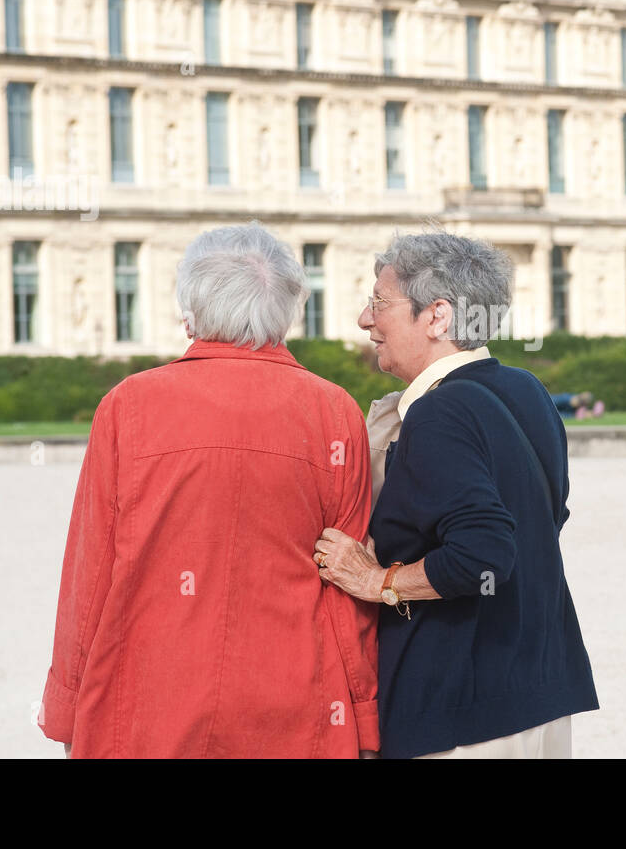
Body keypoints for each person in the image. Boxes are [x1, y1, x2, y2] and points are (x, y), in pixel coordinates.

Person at [39, 222, 379, 758]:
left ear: (189, 308)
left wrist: (68, 706)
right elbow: (346, 584)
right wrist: (362, 716)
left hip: (151, 700)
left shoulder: (129, 405)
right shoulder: (334, 412)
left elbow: (90, 576)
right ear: (287, 311)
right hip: (293, 699)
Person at [314, 232, 599, 759]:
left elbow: (482, 553)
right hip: (540, 692)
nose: (364, 319)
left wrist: (379, 581)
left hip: (463, 714)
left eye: (380, 302)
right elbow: (547, 517)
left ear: (439, 317)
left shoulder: (439, 412)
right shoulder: (528, 389)